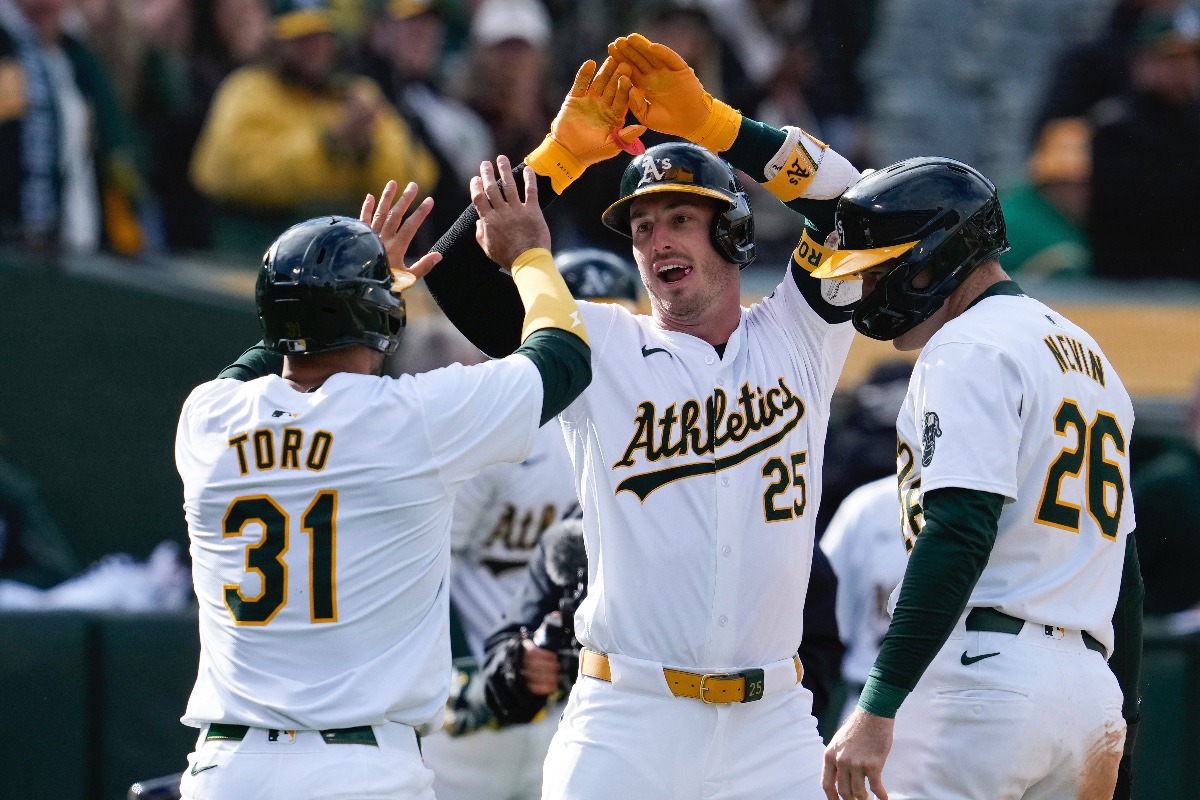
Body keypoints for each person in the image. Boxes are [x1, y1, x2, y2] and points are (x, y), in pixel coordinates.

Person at [420, 34, 865, 799]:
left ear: (731, 229)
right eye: (642, 226)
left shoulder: (799, 332)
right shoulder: (601, 343)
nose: (656, 239)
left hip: (773, 721)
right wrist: (558, 157)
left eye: (679, 219)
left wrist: (723, 129)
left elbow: (855, 205)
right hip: (627, 716)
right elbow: (457, 278)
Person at [173, 164, 592, 800]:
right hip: (358, 770)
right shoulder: (410, 419)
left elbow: (265, 357)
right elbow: (565, 356)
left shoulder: (204, 417)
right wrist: (530, 251)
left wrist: (343, 290)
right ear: (382, 317)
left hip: (227, 769)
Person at [811, 156, 1143, 800]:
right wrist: (1124, 716)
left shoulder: (966, 345)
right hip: (1088, 690)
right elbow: (1125, 568)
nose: (871, 287)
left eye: (880, 267)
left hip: (981, 677)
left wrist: (879, 703)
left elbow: (959, 531)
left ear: (937, 254)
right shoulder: (1093, 358)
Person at [419, 248, 641, 800]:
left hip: (589, 696)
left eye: (612, 319)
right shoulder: (505, 427)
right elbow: (427, 563)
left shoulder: (647, 426)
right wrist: (456, 673)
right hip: (483, 686)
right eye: (582, 320)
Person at [188, 0, 437, 256]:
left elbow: (419, 176)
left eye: (321, 35)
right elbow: (227, 172)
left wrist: (367, 151)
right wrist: (330, 144)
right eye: (300, 38)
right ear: (275, 39)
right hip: (256, 253)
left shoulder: (357, 95)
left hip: (345, 260)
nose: (314, 47)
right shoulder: (248, 90)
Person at [1089, 8, 1200, 281]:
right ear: (1142, 63)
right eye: (1171, 58)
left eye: (1193, 58)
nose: (1184, 69)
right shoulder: (1117, 128)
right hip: (1133, 288)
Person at [819, 476, 906, 722]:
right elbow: (821, 621)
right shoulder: (869, 506)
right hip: (869, 706)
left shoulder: (1007, 506)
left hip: (968, 705)